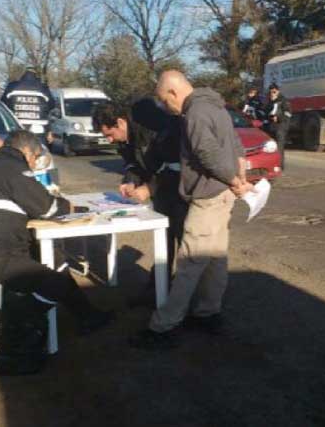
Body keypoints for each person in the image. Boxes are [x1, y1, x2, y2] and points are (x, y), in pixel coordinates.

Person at [130, 70, 253, 348]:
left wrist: (235, 181)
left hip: (208, 196)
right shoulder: (216, 106)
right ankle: (208, 312)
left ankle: (163, 327)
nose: (165, 107)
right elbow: (235, 145)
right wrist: (240, 175)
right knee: (216, 258)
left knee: (188, 264)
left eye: (164, 100)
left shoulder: (195, 112)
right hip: (222, 196)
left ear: (173, 92)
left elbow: (207, 153)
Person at [0, 130, 114, 335]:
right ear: (26, 152)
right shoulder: (13, 168)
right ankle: (14, 324)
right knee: (55, 283)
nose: (35, 163)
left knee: (57, 260)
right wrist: (75, 208)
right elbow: (47, 208)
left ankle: (88, 316)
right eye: (36, 157)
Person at [92, 99, 188, 291]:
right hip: (162, 193)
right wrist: (131, 180)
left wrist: (150, 188)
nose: (109, 140)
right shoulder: (125, 137)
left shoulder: (153, 127)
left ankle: (186, 297)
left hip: (183, 192)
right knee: (163, 241)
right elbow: (131, 163)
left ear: (120, 122)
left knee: (186, 245)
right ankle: (158, 289)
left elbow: (175, 166)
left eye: (110, 134)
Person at [1, 67, 54, 142]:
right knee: (38, 151)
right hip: (38, 128)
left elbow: (3, 104)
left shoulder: (12, 86)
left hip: (16, 126)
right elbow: (52, 105)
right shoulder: (43, 88)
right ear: (36, 75)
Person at [263, 82, 291, 170]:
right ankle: (270, 165)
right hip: (271, 127)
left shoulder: (283, 101)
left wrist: (278, 118)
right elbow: (266, 113)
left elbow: (288, 114)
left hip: (281, 127)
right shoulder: (269, 102)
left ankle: (279, 166)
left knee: (279, 148)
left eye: (274, 92)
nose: (272, 94)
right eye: (270, 92)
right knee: (270, 147)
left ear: (278, 91)